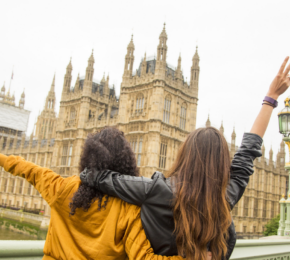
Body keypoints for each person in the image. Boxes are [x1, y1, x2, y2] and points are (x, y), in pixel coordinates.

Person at [81, 57, 290, 260]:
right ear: (222, 163)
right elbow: (248, 151)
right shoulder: (226, 196)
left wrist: (85, 172)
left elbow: (101, 178)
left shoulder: (156, 190)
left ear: (185, 154)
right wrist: (270, 98)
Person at [0, 127, 204, 260]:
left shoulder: (62, 188)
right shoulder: (129, 210)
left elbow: (25, 167)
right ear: (127, 164)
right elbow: (145, 258)